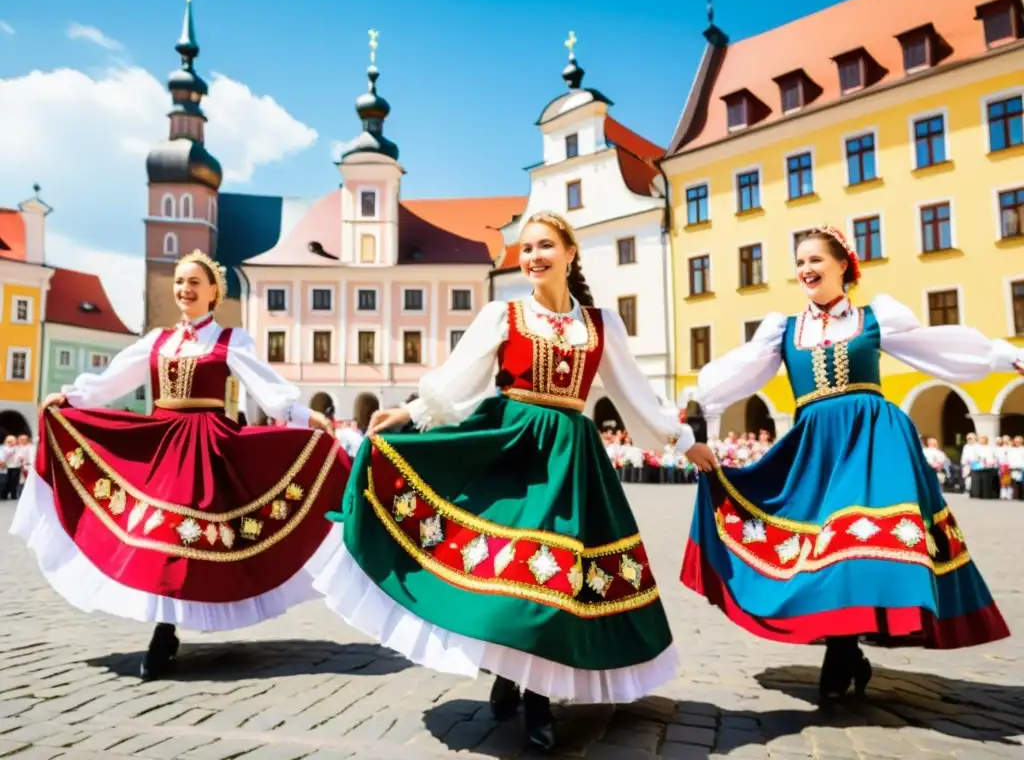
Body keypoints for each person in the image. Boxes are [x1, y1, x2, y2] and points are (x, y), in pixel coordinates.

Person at [313, 211, 715, 752]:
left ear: (570, 253)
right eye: (526, 249)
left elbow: (636, 397)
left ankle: (528, 686)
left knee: (557, 578)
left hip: (572, 458)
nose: (533, 258)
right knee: (515, 575)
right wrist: (407, 413)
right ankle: (526, 687)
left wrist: (686, 443)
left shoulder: (601, 325)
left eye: (545, 246)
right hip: (511, 449)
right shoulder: (503, 314)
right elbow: (459, 380)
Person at [681, 226, 1019, 702]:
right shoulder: (784, 330)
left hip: (874, 441)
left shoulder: (875, 318)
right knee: (823, 549)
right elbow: (737, 373)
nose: (806, 269)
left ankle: (841, 651)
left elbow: (934, 346)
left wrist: (1004, 356)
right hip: (816, 448)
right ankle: (848, 652)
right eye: (799, 262)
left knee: (858, 540)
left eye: (816, 259)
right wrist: (694, 400)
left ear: (844, 265)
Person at [12, 251, 350, 681]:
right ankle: (165, 629)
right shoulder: (157, 340)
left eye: (194, 282)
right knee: (161, 535)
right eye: (179, 281)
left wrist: (305, 417)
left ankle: (168, 628)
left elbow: (268, 390)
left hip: (208, 444)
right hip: (162, 440)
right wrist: (72, 399)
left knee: (191, 537)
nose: (184, 289)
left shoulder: (230, 340)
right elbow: (115, 379)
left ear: (213, 292)